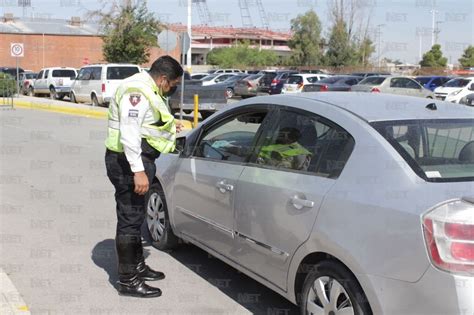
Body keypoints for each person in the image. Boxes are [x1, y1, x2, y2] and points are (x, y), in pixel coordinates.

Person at [104, 56, 183, 298]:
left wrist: (170, 128)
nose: (173, 88)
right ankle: (128, 281)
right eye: (173, 84)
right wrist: (138, 171)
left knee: (135, 218)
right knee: (129, 219)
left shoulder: (149, 88)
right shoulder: (136, 91)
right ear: (162, 79)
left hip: (138, 161)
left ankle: (138, 267)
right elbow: (129, 132)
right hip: (128, 164)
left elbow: (147, 123)